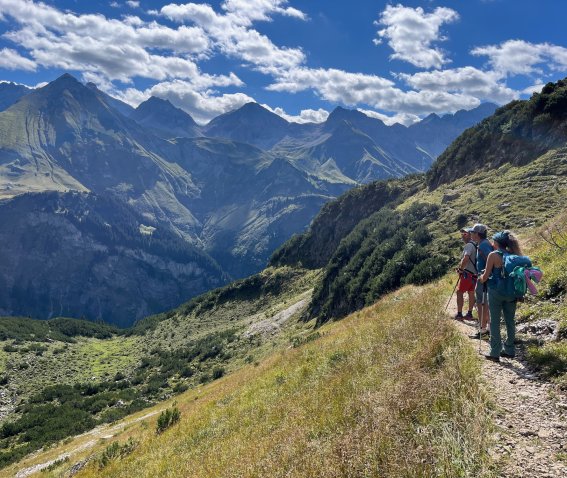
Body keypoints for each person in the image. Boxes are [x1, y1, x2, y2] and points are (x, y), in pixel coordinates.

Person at [479, 230, 523, 362]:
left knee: (495, 322)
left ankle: (495, 351)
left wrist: (481, 278)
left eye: (493, 241)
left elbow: (485, 276)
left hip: (495, 292)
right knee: (510, 321)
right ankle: (509, 349)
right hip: (511, 292)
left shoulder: (493, 255)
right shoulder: (514, 255)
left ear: (497, 243)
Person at [470, 224, 493, 338]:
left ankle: (483, 330)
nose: (471, 234)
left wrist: (484, 275)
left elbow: (491, 260)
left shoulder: (483, 246)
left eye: (472, 232)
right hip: (485, 277)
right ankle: (487, 327)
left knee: (481, 303)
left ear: (478, 234)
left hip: (483, 278)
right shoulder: (485, 243)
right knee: (485, 303)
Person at [455, 227, 477, 321]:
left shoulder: (469, 245)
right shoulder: (476, 244)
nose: (463, 236)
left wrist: (460, 269)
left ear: (470, 235)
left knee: (459, 292)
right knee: (471, 292)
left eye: (465, 234)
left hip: (467, 273)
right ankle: (469, 313)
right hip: (475, 274)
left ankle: (459, 314)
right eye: (462, 234)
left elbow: (466, 258)